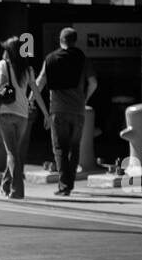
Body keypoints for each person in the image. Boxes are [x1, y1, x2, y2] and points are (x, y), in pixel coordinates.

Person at [36, 27, 97, 196]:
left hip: (57, 110)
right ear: (75, 40)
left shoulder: (50, 59)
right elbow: (93, 83)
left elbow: (40, 82)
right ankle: (69, 183)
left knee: (60, 149)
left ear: (60, 40)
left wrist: (29, 101)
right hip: (78, 110)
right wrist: (84, 99)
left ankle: (65, 185)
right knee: (74, 148)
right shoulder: (82, 59)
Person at [0, 37, 50, 200]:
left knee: (11, 153)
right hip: (22, 115)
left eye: (6, 49)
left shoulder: (3, 65)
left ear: (9, 51)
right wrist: (46, 114)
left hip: (5, 113)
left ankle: (17, 190)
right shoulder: (28, 69)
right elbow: (37, 93)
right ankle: (6, 184)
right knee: (14, 153)